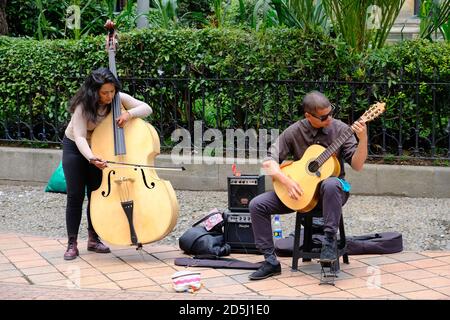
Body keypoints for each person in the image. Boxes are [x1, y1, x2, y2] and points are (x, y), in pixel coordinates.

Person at [248, 90, 367, 280]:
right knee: (257, 204)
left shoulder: (342, 130)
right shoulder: (295, 131)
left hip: (333, 194)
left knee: (330, 184)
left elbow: (358, 165)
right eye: (324, 116)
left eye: (331, 112)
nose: (330, 118)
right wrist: (287, 182)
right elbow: (268, 162)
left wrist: (363, 139)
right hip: (301, 194)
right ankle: (270, 261)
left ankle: (329, 244)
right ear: (308, 116)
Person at [62, 67, 152, 260]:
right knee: (75, 195)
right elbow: (79, 137)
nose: (109, 96)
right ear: (94, 91)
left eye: (112, 91)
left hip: (101, 147)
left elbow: (147, 108)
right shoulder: (82, 106)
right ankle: (72, 243)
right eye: (104, 93)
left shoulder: (117, 98)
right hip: (77, 148)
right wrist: (91, 157)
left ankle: (93, 239)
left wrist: (130, 114)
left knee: (96, 193)